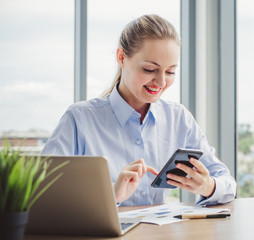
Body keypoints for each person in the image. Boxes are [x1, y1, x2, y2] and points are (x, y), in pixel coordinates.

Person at [42, 14, 236, 206]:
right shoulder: (80, 119)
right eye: (149, 69)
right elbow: (43, 193)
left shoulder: (178, 118)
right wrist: (109, 195)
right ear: (121, 58)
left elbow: (227, 182)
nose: (161, 82)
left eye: (170, 72)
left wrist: (209, 186)